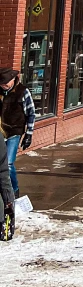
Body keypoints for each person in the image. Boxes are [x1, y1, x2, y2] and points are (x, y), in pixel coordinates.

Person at [0, 68, 34, 201]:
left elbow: (31, 113)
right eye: (1, 83)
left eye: (6, 83)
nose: (4, 85)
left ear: (13, 80)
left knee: (8, 163)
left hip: (15, 131)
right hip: (1, 131)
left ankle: (13, 190)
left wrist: (28, 135)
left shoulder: (23, 92)